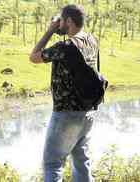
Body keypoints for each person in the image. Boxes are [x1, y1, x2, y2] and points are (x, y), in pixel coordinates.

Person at [29, 4, 99, 182]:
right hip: (88, 111)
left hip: (66, 113)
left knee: (52, 164)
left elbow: (34, 56)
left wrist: (51, 30)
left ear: (68, 21)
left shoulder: (65, 46)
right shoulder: (91, 40)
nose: (59, 23)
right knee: (82, 162)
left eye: (61, 20)